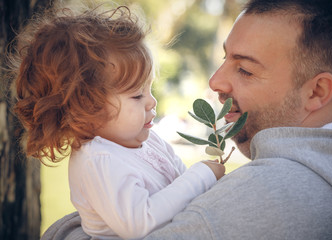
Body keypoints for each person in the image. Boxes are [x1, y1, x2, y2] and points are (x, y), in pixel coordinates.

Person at [144, 0, 332, 239]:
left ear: (317, 91)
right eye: (225, 58)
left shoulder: (256, 194)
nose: (215, 81)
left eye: (245, 69)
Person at [10, 5, 225, 240]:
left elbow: (181, 183)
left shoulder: (147, 139)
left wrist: (209, 184)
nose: (151, 102)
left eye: (149, 89)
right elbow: (139, 223)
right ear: (86, 107)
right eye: (137, 95)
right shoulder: (98, 160)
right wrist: (201, 175)